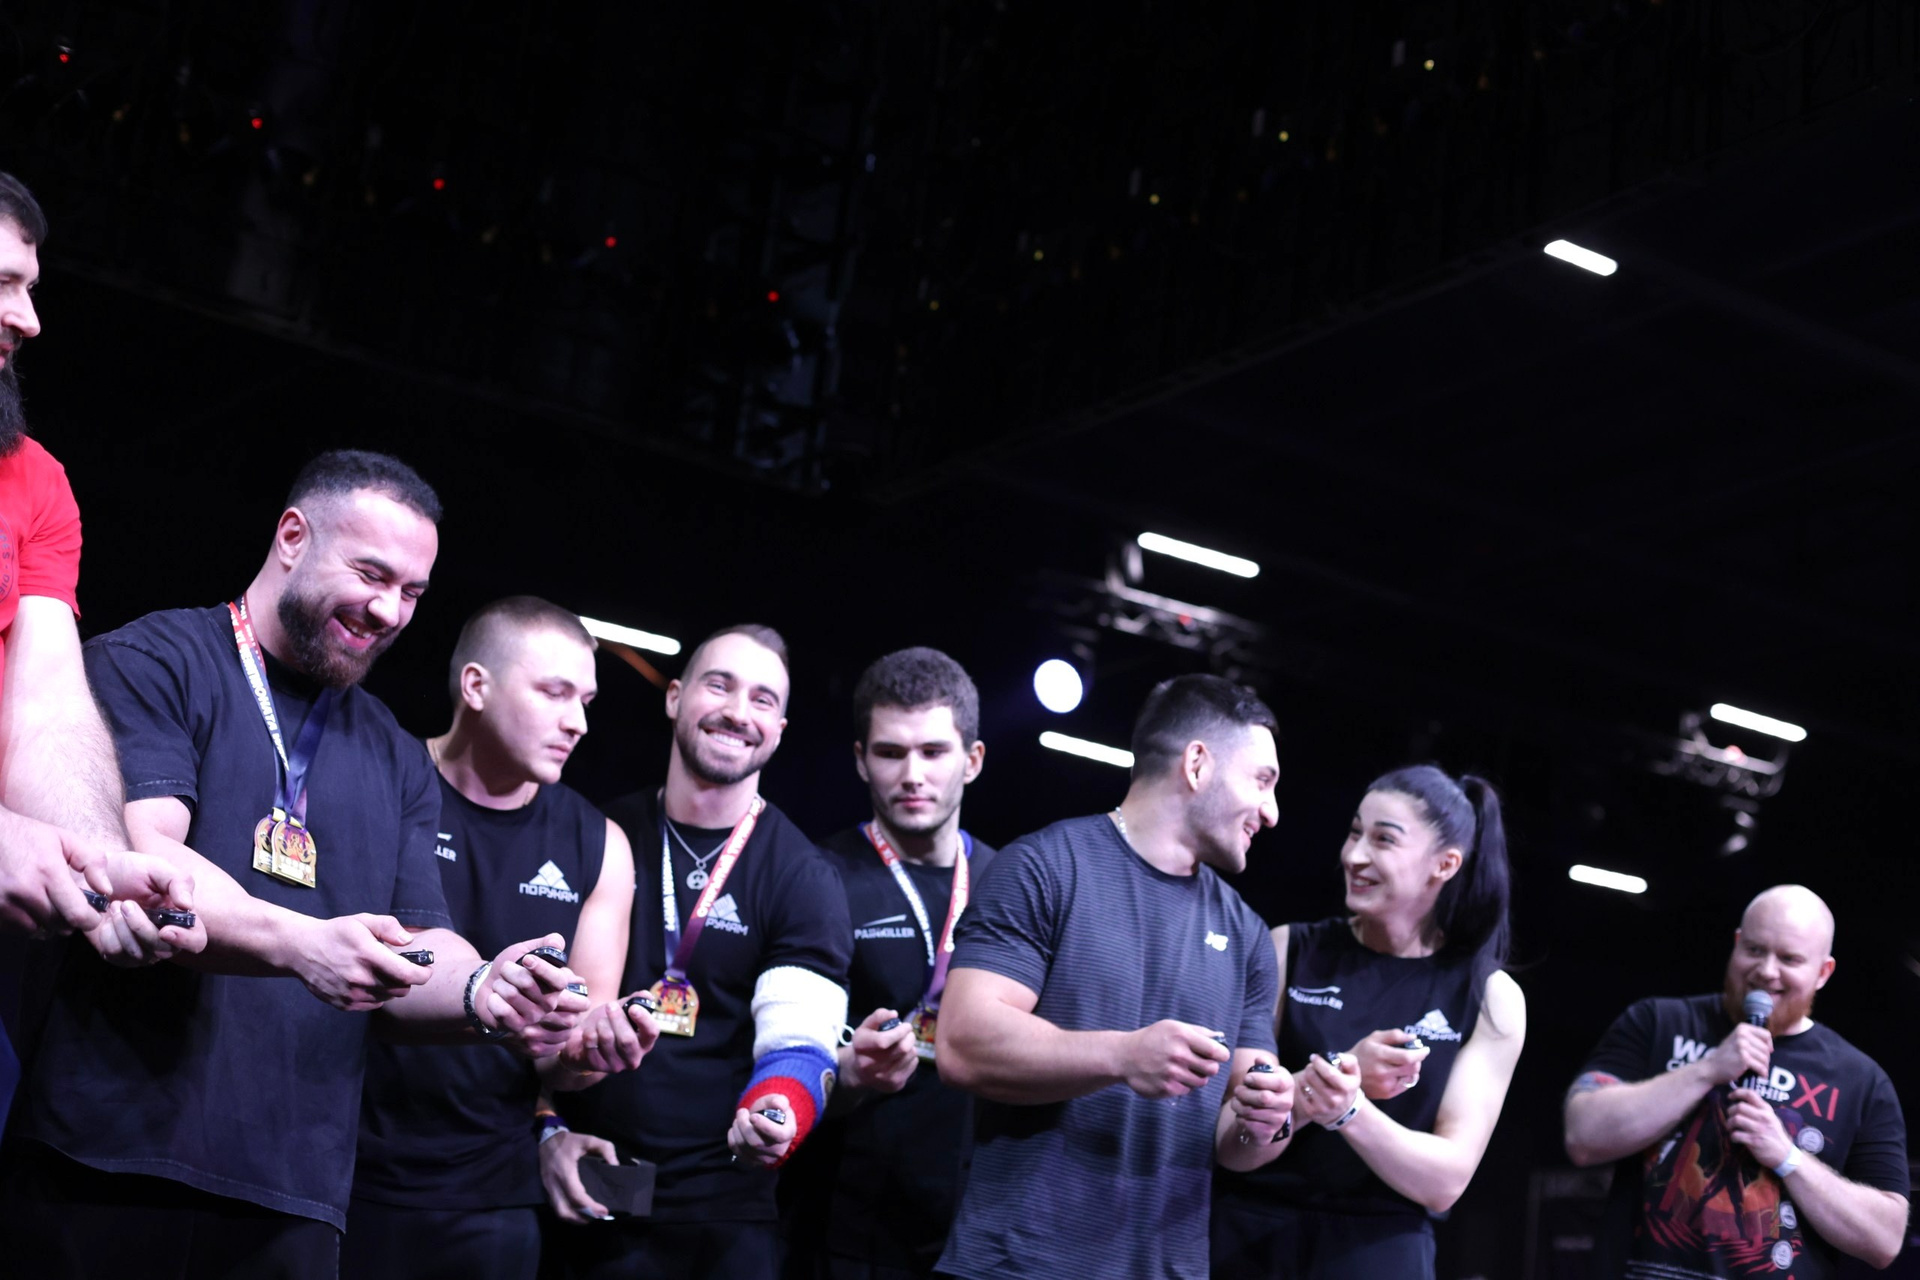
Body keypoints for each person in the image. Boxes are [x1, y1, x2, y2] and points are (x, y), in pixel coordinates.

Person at [0, 450, 588, 1280]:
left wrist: (483, 986)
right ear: (292, 537)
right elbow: (140, 859)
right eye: (370, 574)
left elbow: (419, 941)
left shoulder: (395, 753)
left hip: (295, 1190)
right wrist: (306, 944)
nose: (388, 609)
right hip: (105, 1154)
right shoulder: (156, 659)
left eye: (412, 592)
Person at [932, 673, 1294, 1280]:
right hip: (1017, 1266)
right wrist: (1124, 1056)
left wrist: (1277, 1114)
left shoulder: (1249, 933)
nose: (1272, 812)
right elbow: (962, 1045)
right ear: (1197, 765)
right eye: (1262, 781)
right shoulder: (1044, 866)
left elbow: (1238, 1145)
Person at [346, 596, 656, 1280]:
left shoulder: (600, 842)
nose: (578, 722)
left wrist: (595, 1048)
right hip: (345, 1170)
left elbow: (566, 1056)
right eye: (554, 693)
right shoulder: (379, 783)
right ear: (476, 686)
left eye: (586, 701)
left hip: (494, 1192)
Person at [544, 624, 852, 1279]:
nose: (739, 711)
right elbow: (531, 1019)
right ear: (675, 697)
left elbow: (799, 1040)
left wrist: (778, 1112)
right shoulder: (597, 832)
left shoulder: (803, 875)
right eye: (720, 685)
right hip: (587, 1188)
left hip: (722, 1214)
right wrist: (544, 1126)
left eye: (763, 699)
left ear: (779, 731)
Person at [0, 172, 202, 1119]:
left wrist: (98, 866)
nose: (29, 319)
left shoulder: (35, 481)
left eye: (31, 287)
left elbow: (47, 706)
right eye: (4, 285)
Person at [1210, 764, 1528, 1278]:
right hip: (1249, 1234)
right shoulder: (1289, 948)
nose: (1354, 855)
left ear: (1445, 864)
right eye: (1355, 832)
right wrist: (1335, 1078)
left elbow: (1445, 1180)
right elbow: (1234, 1143)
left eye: (1383, 839)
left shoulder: (1490, 996)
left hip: (1382, 1250)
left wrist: (1349, 1109)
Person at [781, 646, 998, 1279]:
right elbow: (772, 1049)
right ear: (860, 759)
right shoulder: (815, 874)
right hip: (838, 1221)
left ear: (972, 760)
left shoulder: (1010, 884)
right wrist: (847, 1075)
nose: (911, 774)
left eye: (933, 752)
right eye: (890, 752)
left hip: (971, 1229)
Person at [1564, 884, 1908, 1277]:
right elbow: (1582, 1136)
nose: (1767, 971)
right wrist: (1707, 1069)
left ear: (1822, 972)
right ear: (1737, 944)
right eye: (1755, 950)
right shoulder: (1656, 1022)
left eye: (1790, 959)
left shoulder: (1860, 1080)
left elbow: (1885, 1241)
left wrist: (1789, 1157)